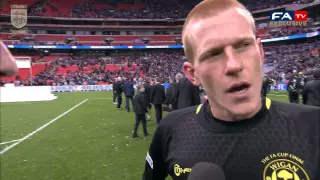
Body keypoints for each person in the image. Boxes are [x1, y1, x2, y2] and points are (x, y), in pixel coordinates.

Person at [142, 0, 320, 179]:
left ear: (260, 52)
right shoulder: (171, 129)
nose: (233, 65)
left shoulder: (313, 125)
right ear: (193, 73)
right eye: (213, 54)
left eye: (243, 45)